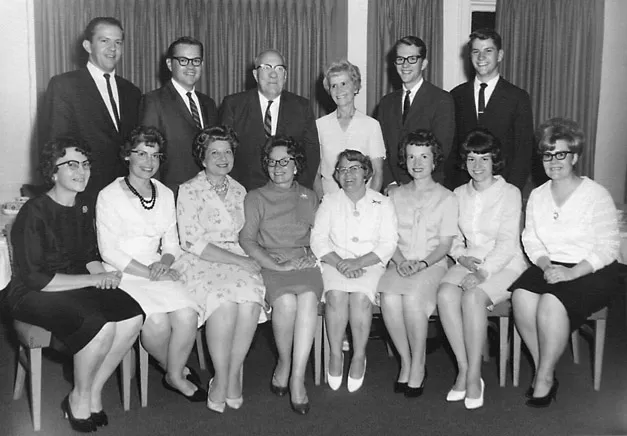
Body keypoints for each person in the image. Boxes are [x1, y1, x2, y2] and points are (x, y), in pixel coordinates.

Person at [4, 137, 144, 432]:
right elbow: (35, 278)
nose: (81, 171)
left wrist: (107, 278)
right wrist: (94, 279)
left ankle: (93, 390)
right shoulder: (34, 212)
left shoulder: (82, 207)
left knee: (131, 314)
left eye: (85, 164)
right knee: (100, 323)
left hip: (74, 284)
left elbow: (89, 256)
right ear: (52, 172)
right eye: (71, 165)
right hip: (33, 292)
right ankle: (78, 397)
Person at [511, 118, 622, 408]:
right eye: (547, 155)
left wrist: (572, 273)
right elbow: (531, 239)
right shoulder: (537, 196)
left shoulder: (596, 195)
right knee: (522, 296)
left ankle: (545, 378)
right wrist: (546, 265)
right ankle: (542, 368)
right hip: (551, 264)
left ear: (575, 156)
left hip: (590, 269)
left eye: (560, 154)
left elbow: (609, 247)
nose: (553, 161)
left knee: (550, 302)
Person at [96, 126, 206, 403]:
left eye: (155, 155)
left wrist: (164, 263)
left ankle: (173, 373)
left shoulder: (166, 193)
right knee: (156, 323)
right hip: (124, 272)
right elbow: (109, 251)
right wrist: (149, 273)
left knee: (187, 315)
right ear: (127, 156)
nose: (149, 162)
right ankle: (176, 373)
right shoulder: (108, 195)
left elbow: (171, 243)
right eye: (142, 154)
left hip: (158, 267)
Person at [175, 125, 267, 413]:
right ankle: (223, 377)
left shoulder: (241, 190)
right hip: (202, 260)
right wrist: (241, 262)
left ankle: (231, 374)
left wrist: (251, 258)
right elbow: (191, 241)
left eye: (227, 152)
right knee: (225, 304)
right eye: (215, 152)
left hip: (239, 256)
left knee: (251, 301)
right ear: (202, 158)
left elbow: (248, 235)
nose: (222, 157)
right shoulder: (189, 190)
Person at [437, 128, 527, 410]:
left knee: (472, 297)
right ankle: (463, 369)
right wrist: (461, 258)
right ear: (464, 161)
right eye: (472, 159)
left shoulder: (509, 193)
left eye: (484, 159)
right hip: (470, 260)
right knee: (445, 295)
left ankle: (475, 377)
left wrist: (482, 274)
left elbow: (507, 243)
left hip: (506, 262)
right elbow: (452, 238)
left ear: (494, 161)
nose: (477, 166)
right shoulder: (457, 193)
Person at [240, 136, 323, 415]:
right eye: (273, 161)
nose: (278, 167)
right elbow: (248, 240)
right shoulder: (255, 197)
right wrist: (275, 265)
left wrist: (313, 254)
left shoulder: (306, 195)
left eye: (285, 161)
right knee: (286, 302)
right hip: (271, 262)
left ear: (296, 165)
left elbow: (316, 236)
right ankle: (285, 362)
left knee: (309, 298)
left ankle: (298, 378)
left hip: (302, 263)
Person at [377, 130, 457, 397]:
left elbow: (444, 245)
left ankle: (420, 364)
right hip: (399, 261)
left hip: (431, 264)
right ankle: (406, 361)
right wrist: (399, 262)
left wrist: (421, 264)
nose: (417, 162)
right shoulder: (394, 196)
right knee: (388, 297)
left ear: (435, 161)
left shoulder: (447, 197)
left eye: (424, 156)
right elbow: (388, 238)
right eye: (411, 156)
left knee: (411, 300)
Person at [310, 150, 397, 393]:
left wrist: (359, 263)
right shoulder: (329, 201)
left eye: (355, 168)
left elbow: (389, 243)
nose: (348, 174)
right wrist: (340, 263)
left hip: (369, 265)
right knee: (336, 296)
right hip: (333, 262)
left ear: (366, 172)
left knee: (360, 299)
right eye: (343, 169)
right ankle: (336, 354)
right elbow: (318, 240)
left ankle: (359, 356)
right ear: (336, 176)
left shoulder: (383, 202)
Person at [41, 17, 141, 196]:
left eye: (118, 42)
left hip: (124, 192)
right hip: (83, 191)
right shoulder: (65, 85)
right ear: (88, 46)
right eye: (104, 41)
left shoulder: (132, 91)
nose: (112, 48)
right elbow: (56, 145)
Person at [219, 49, 320, 191]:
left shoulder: (301, 107)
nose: (273, 74)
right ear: (255, 74)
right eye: (266, 68)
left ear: (285, 76)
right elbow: (225, 152)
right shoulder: (234, 105)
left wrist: (298, 190)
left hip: (289, 193)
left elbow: (312, 154)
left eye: (279, 69)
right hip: (244, 193)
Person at [447, 28, 533, 191]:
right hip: (463, 190)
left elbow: (523, 152)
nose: (481, 57)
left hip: (503, 189)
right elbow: (451, 150)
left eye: (488, 51)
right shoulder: (456, 95)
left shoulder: (518, 97)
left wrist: (511, 191)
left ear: (499, 55)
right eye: (476, 51)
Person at [140, 36, 218, 195]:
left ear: (202, 64)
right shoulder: (154, 101)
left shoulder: (208, 103)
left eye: (196, 60)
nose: (191, 66)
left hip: (209, 195)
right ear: (170, 64)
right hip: (171, 195)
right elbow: (148, 154)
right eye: (183, 60)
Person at [377, 36, 455, 189]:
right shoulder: (386, 103)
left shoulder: (442, 100)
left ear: (424, 63)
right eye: (400, 59)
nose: (405, 65)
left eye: (412, 59)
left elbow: (441, 151)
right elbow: (380, 149)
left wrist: (413, 188)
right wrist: (391, 182)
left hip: (428, 189)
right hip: (392, 189)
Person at [315, 60, 385, 196]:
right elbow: (315, 174)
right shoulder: (319, 126)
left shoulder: (372, 125)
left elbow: (377, 173)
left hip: (363, 204)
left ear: (355, 86)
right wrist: (323, 203)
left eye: (343, 84)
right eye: (333, 86)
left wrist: (367, 205)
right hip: (330, 203)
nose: (339, 90)